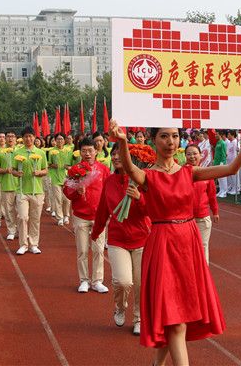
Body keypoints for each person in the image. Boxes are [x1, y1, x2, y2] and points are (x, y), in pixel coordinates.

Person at [108, 119, 241, 366]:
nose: (170, 142)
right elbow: (129, 169)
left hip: (188, 244)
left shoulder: (189, 172)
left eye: (174, 136)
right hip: (162, 245)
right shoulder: (148, 176)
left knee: (177, 317)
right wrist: (122, 141)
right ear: (153, 140)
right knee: (175, 319)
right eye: (163, 136)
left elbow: (231, 169)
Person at [92, 143, 150, 336]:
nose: (116, 157)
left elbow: (151, 210)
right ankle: (120, 306)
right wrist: (96, 232)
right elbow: (102, 210)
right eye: (113, 154)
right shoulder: (108, 182)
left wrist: (139, 198)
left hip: (142, 237)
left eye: (119, 154)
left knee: (141, 282)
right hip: (117, 238)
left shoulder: (141, 179)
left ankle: (139, 318)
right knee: (123, 281)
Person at [63, 137, 111, 294]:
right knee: (82, 250)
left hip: (98, 216)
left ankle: (97, 281)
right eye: (84, 151)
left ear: (96, 151)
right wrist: (76, 191)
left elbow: (110, 190)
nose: (87, 153)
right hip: (80, 215)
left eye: (90, 150)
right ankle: (84, 280)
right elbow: (67, 191)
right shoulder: (74, 170)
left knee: (98, 250)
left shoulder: (103, 170)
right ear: (80, 152)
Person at [11, 127, 48, 255]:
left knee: (35, 218)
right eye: (26, 136)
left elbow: (45, 170)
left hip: (37, 191)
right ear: (22, 138)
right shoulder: (17, 152)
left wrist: (39, 172)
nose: (28, 139)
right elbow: (12, 170)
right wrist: (17, 173)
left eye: (31, 136)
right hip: (22, 190)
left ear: (34, 137)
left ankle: (33, 244)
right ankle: (23, 244)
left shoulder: (40, 153)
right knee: (22, 217)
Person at [185, 144, 219, 263]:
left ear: (200, 155)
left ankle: (204, 275)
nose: (192, 156)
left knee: (202, 246)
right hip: (185, 220)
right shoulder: (180, 173)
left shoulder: (206, 173)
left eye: (195, 153)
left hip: (202, 219)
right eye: (189, 154)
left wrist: (215, 212)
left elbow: (212, 195)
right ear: (185, 156)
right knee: (186, 248)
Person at [49, 133, 71, 226]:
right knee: (58, 198)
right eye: (58, 139)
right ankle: (60, 217)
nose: (60, 141)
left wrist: (68, 167)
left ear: (64, 140)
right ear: (55, 140)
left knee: (66, 199)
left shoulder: (68, 151)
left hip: (66, 177)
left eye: (61, 139)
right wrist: (54, 165)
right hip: (55, 177)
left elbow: (71, 164)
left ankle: (66, 215)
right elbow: (49, 164)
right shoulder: (51, 151)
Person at [213, 130, 228, 198]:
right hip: (217, 162)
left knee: (223, 178)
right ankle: (221, 191)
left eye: (217, 134)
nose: (215, 135)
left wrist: (222, 162)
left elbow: (224, 154)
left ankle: (224, 192)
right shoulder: (218, 142)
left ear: (220, 135)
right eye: (215, 134)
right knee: (219, 178)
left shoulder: (223, 143)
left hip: (221, 163)